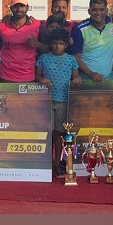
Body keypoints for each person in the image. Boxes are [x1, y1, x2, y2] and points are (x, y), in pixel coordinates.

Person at [36, 28, 81, 177]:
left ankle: (57, 163)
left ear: (66, 45)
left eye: (61, 43)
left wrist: (76, 79)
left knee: (59, 134)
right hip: (47, 101)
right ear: (51, 44)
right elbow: (37, 75)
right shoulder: (43, 58)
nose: (57, 46)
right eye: (55, 43)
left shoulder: (71, 59)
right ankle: (45, 162)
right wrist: (42, 80)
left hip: (63, 101)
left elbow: (76, 76)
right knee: (47, 133)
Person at [69, 0, 113, 82]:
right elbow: (75, 57)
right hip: (86, 80)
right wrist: (91, 74)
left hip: (109, 79)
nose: (98, 13)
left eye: (102, 10)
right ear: (89, 11)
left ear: (107, 11)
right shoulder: (79, 29)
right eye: (94, 10)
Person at [0, 0, 45, 82]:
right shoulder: (1, 25)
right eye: (15, 6)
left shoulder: (37, 25)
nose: (19, 9)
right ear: (11, 8)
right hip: (6, 77)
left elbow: (50, 48)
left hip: (29, 77)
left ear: (27, 8)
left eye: (22, 6)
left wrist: (38, 44)